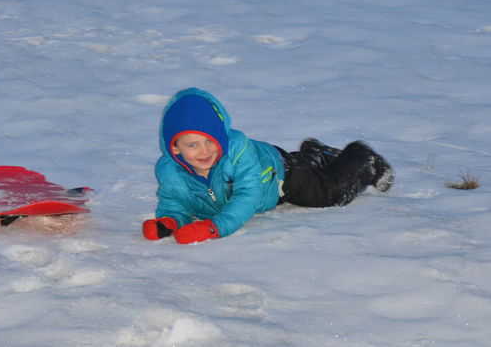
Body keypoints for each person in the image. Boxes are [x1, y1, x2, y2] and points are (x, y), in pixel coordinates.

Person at [142, 87, 393, 244]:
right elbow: (176, 201)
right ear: (175, 148)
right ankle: (316, 153)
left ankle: (363, 160)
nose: (205, 151)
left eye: (210, 141)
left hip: (283, 176)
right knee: (310, 170)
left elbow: (247, 196)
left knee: (330, 194)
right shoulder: (169, 170)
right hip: (279, 166)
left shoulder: (238, 152)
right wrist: (170, 221)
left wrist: (214, 227)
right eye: (193, 145)